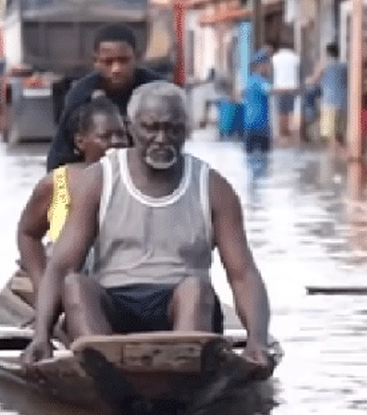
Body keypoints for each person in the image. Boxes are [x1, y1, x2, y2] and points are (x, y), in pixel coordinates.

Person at [20, 81, 273, 377]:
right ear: (131, 127)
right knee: (75, 285)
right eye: (151, 128)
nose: (162, 139)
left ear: (187, 128)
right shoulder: (98, 180)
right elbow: (61, 266)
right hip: (114, 307)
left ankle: (182, 375)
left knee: (196, 288)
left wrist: (257, 339)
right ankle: (107, 374)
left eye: (173, 129)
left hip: (182, 309)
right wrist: (41, 334)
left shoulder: (213, 187)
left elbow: (243, 274)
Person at [16, 96, 127, 292]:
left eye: (121, 135)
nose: (116, 143)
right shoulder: (56, 183)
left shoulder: (136, 180)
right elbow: (28, 234)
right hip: (71, 284)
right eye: (105, 137)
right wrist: (42, 285)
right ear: (80, 141)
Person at [45, 24, 162, 171]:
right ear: (96, 61)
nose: (116, 69)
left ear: (137, 58)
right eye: (108, 62)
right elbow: (60, 154)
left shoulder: (157, 91)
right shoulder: (81, 95)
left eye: (123, 60)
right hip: (95, 173)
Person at [306, 43, 349, 153]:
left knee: (331, 134)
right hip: (343, 102)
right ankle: (341, 157)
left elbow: (314, 80)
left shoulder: (324, 65)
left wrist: (305, 81)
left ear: (327, 53)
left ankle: (335, 156)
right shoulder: (344, 66)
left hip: (329, 102)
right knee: (340, 133)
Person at [270, 40, 301, 144]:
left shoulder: (275, 58)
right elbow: (299, 72)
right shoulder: (296, 58)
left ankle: (282, 134)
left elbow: (272, 74)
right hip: (292, 87)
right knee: (290, 111)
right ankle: (289, 133)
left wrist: (272, 86)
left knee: (281, 112)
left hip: (279, 88)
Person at [244, 49, 272, 154]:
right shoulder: (260, 81)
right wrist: (290, 89)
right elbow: (270, 91)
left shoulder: (250, 80)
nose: (268, 68)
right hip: (261, 126)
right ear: (260, 65)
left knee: (250, 159)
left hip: (248, 126)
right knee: (264, 159)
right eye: (266, 64)